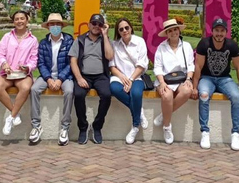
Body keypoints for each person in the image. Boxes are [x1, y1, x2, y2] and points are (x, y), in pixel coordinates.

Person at [192, 17, 239, 151]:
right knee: (204, 95)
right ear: (212, 31)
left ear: (226, 32)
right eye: (216, 30)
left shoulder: (232, 46)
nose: (219, 33)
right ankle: (205, 132)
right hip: (207, 78)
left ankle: (235, 133)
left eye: (222, 31)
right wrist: (194, 88)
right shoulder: (204, 44)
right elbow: (198, 67)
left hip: (225, 79)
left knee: (236, 97)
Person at [29, 13, 75, 146]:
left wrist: (60, 79)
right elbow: (41, 63)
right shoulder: (43, 43)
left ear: (62, 26)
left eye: (58, 24)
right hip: (47, 75)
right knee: (34, 89)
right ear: (48, 26)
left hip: (64, 76)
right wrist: (49, 79)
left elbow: (70, 63)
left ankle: (65, 127)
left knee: (70, 92)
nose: (55, 26)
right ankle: (36, 126)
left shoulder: (69, 41)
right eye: (52, 24)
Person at [69, 13, 114, 144]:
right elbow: (73, 61)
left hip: (101, 76)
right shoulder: (80, 40)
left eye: (99, 24)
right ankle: (83, 128)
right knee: (78, 94)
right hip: (84, 76)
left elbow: (110, 56)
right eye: (94, 23)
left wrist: (105, 35)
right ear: (89, 24)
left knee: (106, 95)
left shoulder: (105, 40)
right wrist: (79, 78)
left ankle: (97, 126)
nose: (96, 26)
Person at [0, 11, 38, 136]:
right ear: (13, 22)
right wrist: (4, 64)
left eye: (22, 18)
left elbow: (34, 59)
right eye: (17, 19)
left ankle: (9, 118)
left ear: (27, 20)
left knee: (25, 87)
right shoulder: (7, 37)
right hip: (7, 72)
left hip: (22, 74)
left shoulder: (33, 40)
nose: (19, 21)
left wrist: (27, 67)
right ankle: (14, 114)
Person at [153, 18, 195, 144]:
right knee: (166, 96)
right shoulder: (161, 47)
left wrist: (189, 79)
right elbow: (158, 67)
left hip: (182, 79)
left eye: (175, 29)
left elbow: (191, 65)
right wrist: (162, 82)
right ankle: (167, 126)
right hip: (165, 79)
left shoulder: (186, 46)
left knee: (187, 91)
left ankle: (164, 115)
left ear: (179, 30)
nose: (173, 33)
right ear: (167, 34)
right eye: (170, 31)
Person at [109, 18, 149, 144]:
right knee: (114, 89)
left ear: (131, 28)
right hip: (120, 77)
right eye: (121, 29)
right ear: (118, 32)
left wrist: (130, 80)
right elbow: (112, 66)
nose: (124, 31)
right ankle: (139, 110)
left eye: (126, 27)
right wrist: (122, 77)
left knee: (136, 94)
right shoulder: (115, 45)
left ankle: (135, 126)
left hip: (135, 76)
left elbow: (142, 65)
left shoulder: (139, 42)